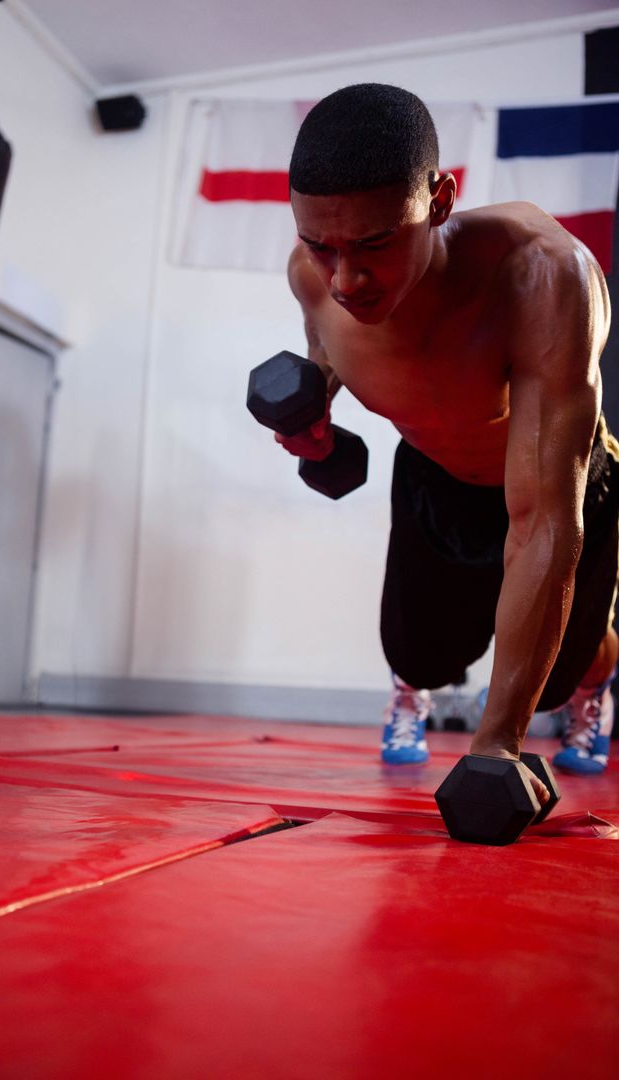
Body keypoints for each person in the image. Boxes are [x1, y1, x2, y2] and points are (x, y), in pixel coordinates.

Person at [278, 83, 617, 800]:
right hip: (433, 472)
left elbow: (543, 519)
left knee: (560, 672)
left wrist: (498, 743)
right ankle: (413, 692)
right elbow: (326, 355)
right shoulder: (309, 278)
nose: (345, 280)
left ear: (439, 201)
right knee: (417, 653)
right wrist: (312, 413)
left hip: (558, 477)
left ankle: (593, 690)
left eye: (374, 244)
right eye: (320, 245)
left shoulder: (542, 275)